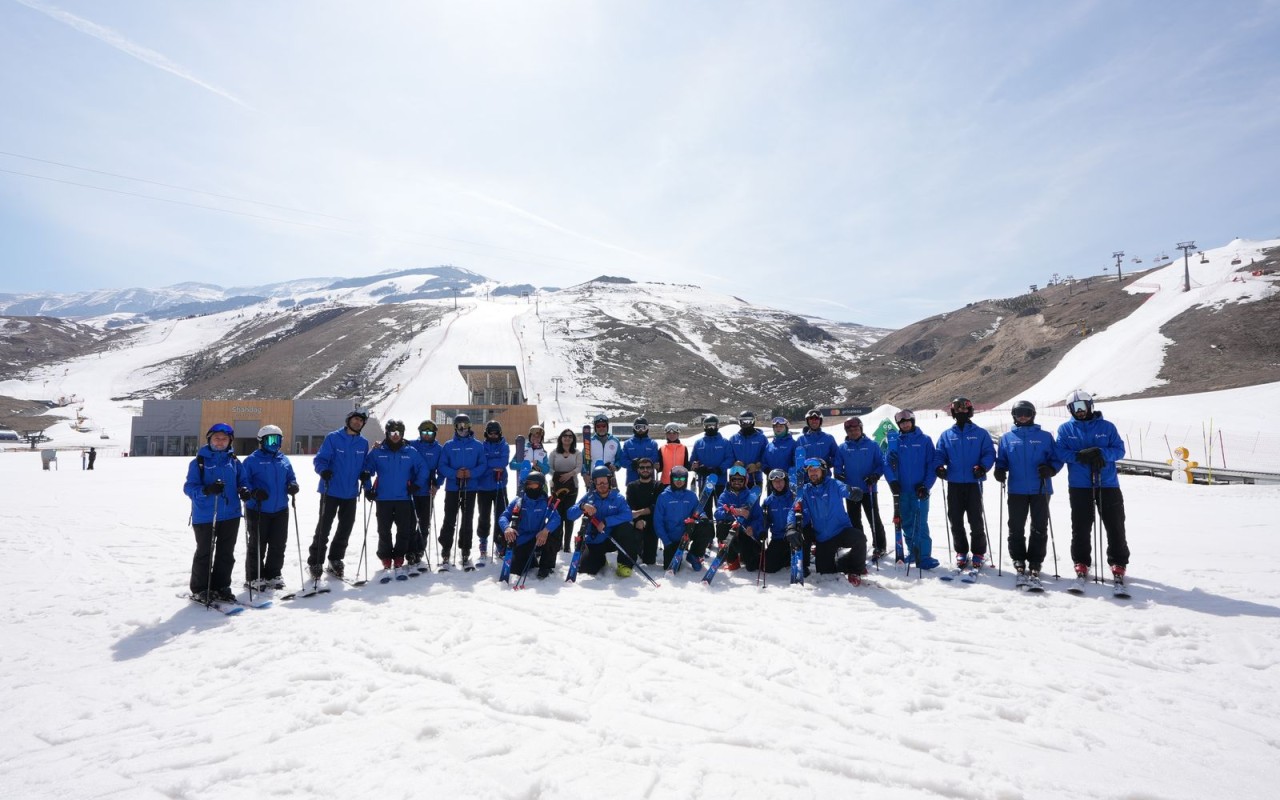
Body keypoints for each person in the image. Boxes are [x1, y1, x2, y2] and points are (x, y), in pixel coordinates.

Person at [1055, 390, 1130, 589]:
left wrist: (1100, 452)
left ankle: (1118, 561)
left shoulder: (1107, 427)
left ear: (1090, 405)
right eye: (1074, 408)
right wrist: (1080, 456)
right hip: (1080, 485)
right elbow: (1061, 452)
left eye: (1082, 407)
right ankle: (1081, 561)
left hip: (1107, 484)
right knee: (1080, 526)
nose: (1079, 412)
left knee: (1115, 524)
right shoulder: (1065, 429)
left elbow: (1120, 450)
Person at [994, 401, 1063, 590]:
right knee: (1015, 526)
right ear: (1013, 416)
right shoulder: (1007, 438)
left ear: (1033, 415)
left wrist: (1050, 469)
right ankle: (1018, 559)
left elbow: (1056, 459)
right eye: (1018, 414)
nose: (1022, 417)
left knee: (1039, 526)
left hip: (1041, 488)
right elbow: (1002, 460)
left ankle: (1035, 561)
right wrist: (1000, 470)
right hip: (1016, 489)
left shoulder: (1045, 437)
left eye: (1026, 413)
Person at [182, 423, 246, 604]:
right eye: (217, 438)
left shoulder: (234, 462)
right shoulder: (199, 463)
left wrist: (245, 490)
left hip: (231, 514)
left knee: (226, 553)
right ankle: (200, 588)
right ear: (209, 439)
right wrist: (207, 490)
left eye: (224, 438)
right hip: (205, 516)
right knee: (204, 552)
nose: (220, 441)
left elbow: (244, 480)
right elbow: (189, 488)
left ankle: (221, 586)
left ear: (230, 441)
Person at [361, 419, 429, 579]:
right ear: (387, 433)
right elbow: (366, 470)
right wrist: (367, 488)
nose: (396, 435)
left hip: (403, 498)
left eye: (399, 432)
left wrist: (417, 484)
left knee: (403, 531)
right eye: (392, 432)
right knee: (384, 531)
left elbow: (423, 468)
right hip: (383, 498)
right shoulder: (378, 452)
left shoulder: (410, 452)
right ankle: (385, 558)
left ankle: (399, 557)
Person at [935, 397, 996, 571]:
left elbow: (989, 453)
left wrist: (983, 467)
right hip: (954, 482)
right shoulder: (947, 435)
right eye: (957, 410)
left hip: (973, 482)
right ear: (953, 413)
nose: (961, 413)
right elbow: (939, 453)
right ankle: (961, 551)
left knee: (975, 519)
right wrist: (939, 466)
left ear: (969, 412)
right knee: (955, 519)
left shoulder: (980, 433)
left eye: (964, 410)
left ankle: (978, 552)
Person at [309, 408, 371, 580]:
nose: (358, 422)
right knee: (324, 528)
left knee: (345, 529)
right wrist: (323, 471)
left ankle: (335, 559)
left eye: (361, 421)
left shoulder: (363, 443)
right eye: (355, 419)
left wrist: (367, 485)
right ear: (348, 420)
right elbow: (320, 460)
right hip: (330, 490)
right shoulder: (333, 438)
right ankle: (315, 561)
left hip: (350, 493)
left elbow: (364, 467)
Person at [786, 458, 868, 583]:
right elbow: (794, 510)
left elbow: (844, 489)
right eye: (810, 471)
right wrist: (791, 527)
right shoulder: (805, 491)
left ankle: (855, 570)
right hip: (823, 538)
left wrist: (852, 492)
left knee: (859, 538)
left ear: (823, 470)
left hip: (841, 530)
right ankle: (840, 561)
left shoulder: (833, 484)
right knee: (825, 571)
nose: (813, 473)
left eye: (815, 470)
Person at [239, 424, 300, 591]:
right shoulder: (252, 460)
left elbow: (290, 476)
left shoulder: (283, 459)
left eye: (277, 440)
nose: (274, 443)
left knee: (278, 543)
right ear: (261, 441)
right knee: (258, 543)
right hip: (258, 509)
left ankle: (273, 574)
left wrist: (293, 485)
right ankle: (254, 576)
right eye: (270, 440)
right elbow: (244, 481)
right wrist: (254, 492)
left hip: (280, 508)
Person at [884, 409, 941, 570]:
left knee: (920, 523)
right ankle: (913, 551)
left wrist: (926, 485)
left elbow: (932, 464)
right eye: (902, 422)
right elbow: (887, 464)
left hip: (919, 490)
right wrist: (892, 481)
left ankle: (924, 556)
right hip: (902, 490)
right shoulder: (895, 441)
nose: (905, 424)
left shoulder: (924, 440)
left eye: (908, 421)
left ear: (913, 421)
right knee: (907, 522)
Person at [564, 465, 640, 577]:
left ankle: (624, 564)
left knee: (626, 528)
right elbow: (570, 515)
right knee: (586, 569)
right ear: (594, 483)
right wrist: (582, 506)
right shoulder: (589, 498)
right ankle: (601, 560)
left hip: (613, 538)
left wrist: (606, 521)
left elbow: (627, 515)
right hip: (595, 540)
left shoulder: (617, 498)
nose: (602, 485)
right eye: (599, 482)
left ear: (609, 481)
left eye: (604, 481)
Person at [834, 417, 888, 560]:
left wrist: (875, 475)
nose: (854, 432)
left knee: (873, 518)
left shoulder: (872, 445)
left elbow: (881, 464)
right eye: (850, 430)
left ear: (861, 429)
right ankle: (860, 545)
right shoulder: (843, 447)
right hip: (851, 491)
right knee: (854, 520)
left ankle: (880, 546)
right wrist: (839, 475)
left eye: (856, 429)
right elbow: (838, 466)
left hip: (868, 488)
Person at [439, 413, 485, 570]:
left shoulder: (478, 445)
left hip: (470, 487)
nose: (462, 429)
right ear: (455, 427)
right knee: (449, 518)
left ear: (470, 427)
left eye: (465, 426)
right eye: (459, 426)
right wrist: (455, 473)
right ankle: (446, 548)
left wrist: (471, 473)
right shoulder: (449, 445)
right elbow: (442, 466)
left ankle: (465, 548)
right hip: (453, 487)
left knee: (467, 519)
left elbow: (482, 464)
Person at [499, 472, 563, 580]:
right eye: (529, 484)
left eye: (535, 485)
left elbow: (556, 518)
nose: (531, 487)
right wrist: (507, 527)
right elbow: (503, 517)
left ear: (541, 486)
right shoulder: (518, 501)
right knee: (515, 570)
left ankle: (545, 566)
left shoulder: (546, 502)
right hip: (523, 539)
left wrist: (546, 530)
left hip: (540, 537)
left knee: (556, 529)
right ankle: (531, 559)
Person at [652, 465, 714, 571]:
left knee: (707, 527)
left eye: (682, 478)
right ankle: (676, 550)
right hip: (672, 539)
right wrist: (667, 542)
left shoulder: (691, 496)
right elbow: (658, 522)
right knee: (671, 568)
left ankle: (694, 554)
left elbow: (699, 510)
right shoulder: (663, 497)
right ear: (671, 479)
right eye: (676, 478)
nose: (679, 481)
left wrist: (703, 517)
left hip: (688, 531)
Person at [407, 420, 445, 571]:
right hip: (411, 489)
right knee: (410, 523)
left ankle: (420, 549)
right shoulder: (412, 444)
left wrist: (437, 485)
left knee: (424, 522)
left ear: (434, 434)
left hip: (427, 490)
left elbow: (441, 470)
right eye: (424, 432)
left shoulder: (439, 449)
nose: (427, 435)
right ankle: (410, 550)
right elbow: (393, 443)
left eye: (430, 433)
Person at [713, 464, 764, 571]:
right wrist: (735, 513)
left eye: (740, 480)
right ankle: (732, 560)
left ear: (745, 481)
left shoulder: (751, 496)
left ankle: (746, 556)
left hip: (746, 534)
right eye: (734, 479)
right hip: (732, 532)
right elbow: (717, 513)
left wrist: (752, 528)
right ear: (730, 480)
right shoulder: (725, 495)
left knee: (751, 567)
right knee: (722, 526)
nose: (737, 482)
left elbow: (759, 518)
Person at [477, 420, 512, 562]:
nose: (493, 435)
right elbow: (481, 463)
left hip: (500, 486)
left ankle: (499, 542)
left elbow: (503, 462)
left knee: (501, 516)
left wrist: (488, 463)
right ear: (486, 433)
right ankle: (483, 540)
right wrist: (491, 464)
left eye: (495, 432)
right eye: (490, 432)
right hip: (483, 487)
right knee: (484, 516)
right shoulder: (481, 446)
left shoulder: (504, 445)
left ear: (499, 433)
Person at [625, 456, 664, 565]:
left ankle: (646, 550)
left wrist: (640, 512)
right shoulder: (632, 486)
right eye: (642, 468)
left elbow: (656, 506)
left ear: (652, 469)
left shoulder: (658, 485)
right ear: (638, 470)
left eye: (648, 467)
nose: (645, 470)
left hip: (653, 522)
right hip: (637, 521)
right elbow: (630, 506)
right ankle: (637, 549)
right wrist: (638, 519)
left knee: (649, 561)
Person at [549, 428, 582, 551]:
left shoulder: (577, 453)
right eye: (564, 436)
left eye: (570, 436)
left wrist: (569, 474)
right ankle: (558, 543)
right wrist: (558, 475)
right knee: (557, 516)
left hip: (572, 487)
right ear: (561, 438)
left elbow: (579, 467)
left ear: (573, 439)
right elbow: (549, 468)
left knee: (569, 516)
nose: (567, 438)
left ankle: (567, 544)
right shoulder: (554, 453)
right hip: (556, 488)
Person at [690, 414, 732, 507]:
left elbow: (729, 458)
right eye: (708, 426)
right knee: (705, 507)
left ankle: (722, 521)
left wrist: (720, 469)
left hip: (720, 480)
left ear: (717, 426)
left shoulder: (724, 442)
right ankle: (706, 521)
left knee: (722, 506)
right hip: (704, 481)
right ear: (704, 427)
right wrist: (698, 468)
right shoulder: (699, 443)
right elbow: (692, 460)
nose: (711, 428)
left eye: (713, 425)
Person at [761, 468, 797, 573]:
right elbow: (766, 520)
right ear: (771, 484)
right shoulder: (768, 501)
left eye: (781, 480)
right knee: (768, 567)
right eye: (775, 482)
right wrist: (762, 529)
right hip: (778, 537)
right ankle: (785, 557)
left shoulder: (793, 496)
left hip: (794, 535)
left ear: (786, 481)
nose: (778, 484)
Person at [729, 411, 768, 488]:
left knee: (753, 500)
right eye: (743, 421)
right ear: (739, 422)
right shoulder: (733, 439)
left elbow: (766, 456)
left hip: (755, 478)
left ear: (753, 422)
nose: (746, 424)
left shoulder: (761, 438)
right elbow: (728, 456)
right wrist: (734, 463)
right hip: (737, 478)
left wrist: (757, 466)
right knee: (737, 500)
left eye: (749, 421)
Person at [618, 416, 660, 485]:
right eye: (637, 427)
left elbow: (655, 458)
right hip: (632, 480)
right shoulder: (628, 444)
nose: (640, 430)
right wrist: (632, 464)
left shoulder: (653, 444)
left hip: (648, 481)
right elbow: (623, 460)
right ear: (634, 428)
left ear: (647, 428)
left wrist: (643, 463)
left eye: (643, 427)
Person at [583, 413, 621, 479]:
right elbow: (583, 462)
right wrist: (585, 475)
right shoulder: (589, 442)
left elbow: (620, 458)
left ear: (607, 427)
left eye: (603, 426)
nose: (601, 428)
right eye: (598, 426)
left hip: (610, 477)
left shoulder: (615, 441)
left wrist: (616, 466)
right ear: (595, 428)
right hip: (593, 477)